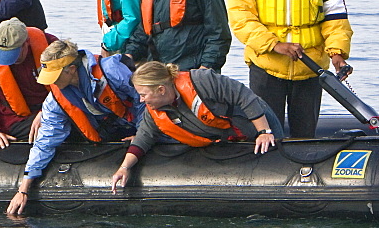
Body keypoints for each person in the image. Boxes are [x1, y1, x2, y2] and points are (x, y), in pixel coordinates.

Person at [227, 0, 353, 137]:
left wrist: (337, 53)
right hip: (266, 67)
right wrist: (275, 45)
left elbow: (335, 15)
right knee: (266, 135)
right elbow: (241, 18)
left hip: (310, 67)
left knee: (305, 135)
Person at [7, 40, 143, 215]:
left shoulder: (112, 71)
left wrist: (141, 134)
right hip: (110, 135)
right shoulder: (55, 100)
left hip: (140, 129)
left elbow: (144, 100)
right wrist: (23, 189)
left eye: (55, 75)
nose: (52, 82)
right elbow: (45, 141)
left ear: (71, 69)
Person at [110, 61, 282, 193]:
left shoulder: (202, 80)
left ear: (161, 90)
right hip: (229, 139)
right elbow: (143, 139)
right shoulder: (153, 113)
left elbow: (244, 96)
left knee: (277, 156)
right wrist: (124, 168)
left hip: (259, 122)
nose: (141, 100)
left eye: (143, 94)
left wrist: (264, 132)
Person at [0, 18, 58, 149]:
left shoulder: (52, 47)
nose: (11, 60)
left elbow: (68, 87)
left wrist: (46, 112)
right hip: (16, 119)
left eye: (15, 53)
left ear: (26, 43)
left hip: (52, 109)